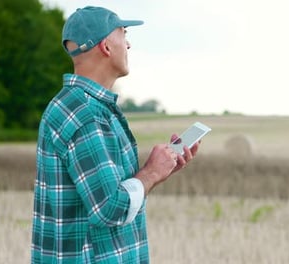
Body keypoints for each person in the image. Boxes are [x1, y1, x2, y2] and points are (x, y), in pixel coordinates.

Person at [31, 6, 199, 263]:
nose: (129, 45)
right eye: (124, 34)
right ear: (106, 46)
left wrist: (160, 170)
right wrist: (151, 172)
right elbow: (109, 208)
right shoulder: (85, 114)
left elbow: (113, 195)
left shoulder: (86, 107)